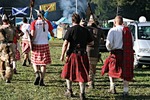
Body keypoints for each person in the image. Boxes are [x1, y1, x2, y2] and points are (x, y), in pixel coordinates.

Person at [60, 13, 93, 100]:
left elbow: (65, 43)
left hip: (73, 55)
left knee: (68, 73)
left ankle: (69, 90)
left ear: (72, 20)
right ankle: (82, 93)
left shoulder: (70, 30)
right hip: (83, 54)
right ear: (79, 20)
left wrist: (62, 55)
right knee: (82, 74)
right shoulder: (85, 30)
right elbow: (92, 42)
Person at [101, 16, 134, 96]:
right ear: (122, 22)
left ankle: (112, 87)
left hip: (115, 53)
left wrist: (110, 49)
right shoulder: (128, 31)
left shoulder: (112, 30)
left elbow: (108, 43)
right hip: (126, 54)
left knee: (111, 70)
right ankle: (125, 91)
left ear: (115, 22)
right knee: (125, 72)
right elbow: (132, 42)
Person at [30, 10, 54, 86]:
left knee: (34, 61)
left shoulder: (34, 22)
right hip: (44, 44)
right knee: (43, 64)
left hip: (36, 44)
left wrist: (30, 39)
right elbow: (52, 34)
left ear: (37, 15)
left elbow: (32, 34)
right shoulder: (48, 22)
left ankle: (37, 73)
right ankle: (42, 80)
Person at [86, 20, 103, 89]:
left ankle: (90, 82)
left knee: (88, 66)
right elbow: (102, 39)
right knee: (93, 67)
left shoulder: (87, 29)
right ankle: (91, 81)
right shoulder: (99, 30)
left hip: (88, 49)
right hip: (96, 50)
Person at [0, 14, 16, 83]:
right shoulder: (12, 28)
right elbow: (18, 36)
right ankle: (8, 77)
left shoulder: (1, 28)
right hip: (11, 45)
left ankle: (3, 74)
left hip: (2, 45)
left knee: (2, 60)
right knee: (10, 61)